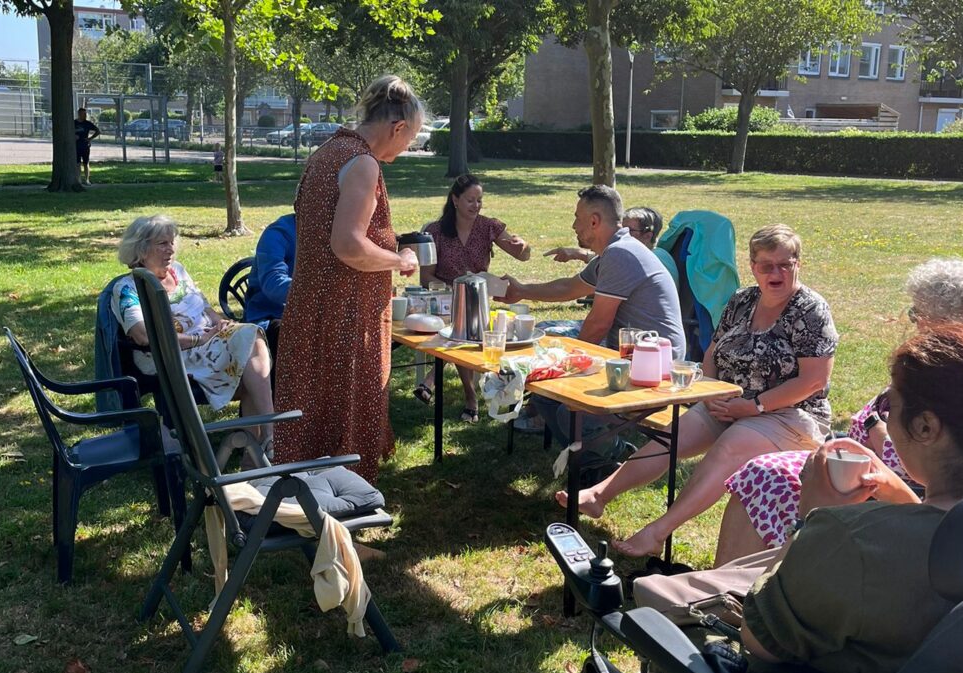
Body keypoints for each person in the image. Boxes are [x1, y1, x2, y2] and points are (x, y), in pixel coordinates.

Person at [557, 224, 838, 558]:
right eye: (766, 265)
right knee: (671, 436)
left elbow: (813, 381)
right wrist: (712, 392)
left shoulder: (810, 310)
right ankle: (599, 495)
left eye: (784, 264)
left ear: (797, 264)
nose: (775, 273)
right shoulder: (742, 300)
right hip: (727, 403)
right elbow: (712, 353)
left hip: (789, 415)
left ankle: (656, 532)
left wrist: (753, 407)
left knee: (729, 449)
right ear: (753, 267)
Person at [737, 324, 963, 672]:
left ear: (924, 427)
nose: (883, 415)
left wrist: (808, 519)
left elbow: (760, 639)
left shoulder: (852, 539)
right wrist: (907, 500)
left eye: (887, 404)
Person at [715, 256, 963, 564]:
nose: (913, 321)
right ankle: (732, 585)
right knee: (765, 472)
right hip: (876, 472)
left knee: (768, 477)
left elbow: (941, 475)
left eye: (917, 312)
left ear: (939, 319)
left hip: (883, 487)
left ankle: (745, 589)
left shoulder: (956, 377)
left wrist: (878, 434)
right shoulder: (946, 364)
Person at [271, 75, 422, 483]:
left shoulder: (326, 152)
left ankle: (306, 514)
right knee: (347, 419)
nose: (406, 148)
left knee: (313, 416)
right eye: (411, 138)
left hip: (312, 310)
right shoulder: (363, 163)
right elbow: (349, 245)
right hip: (344, 319)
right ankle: (344, 524)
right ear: (398, 127)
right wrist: (397, 259)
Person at [110, 215, 276, 452]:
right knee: (248, 353)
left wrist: (220, 323)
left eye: (171, 242)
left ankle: (261, 445)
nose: (171, 250)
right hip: (168, 354)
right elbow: (143, 336)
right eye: (162, 244)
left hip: (208, 343)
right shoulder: (127, 288)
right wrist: (200, 339)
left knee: (251, 338)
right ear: (141, 249)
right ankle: (268, 439)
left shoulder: (178, 271)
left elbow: (204, 307)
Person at [503, 188, 683, 354]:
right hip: (637, 351)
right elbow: (569, 288)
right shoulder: (616, 250)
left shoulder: (620, 254)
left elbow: (599, 324)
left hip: (656, 359)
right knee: (546, 336)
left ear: (594, 221)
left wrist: (568, 365)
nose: (574, 226)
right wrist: (521, 290)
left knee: (545, 349)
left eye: (577, 218)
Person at [413, 174, 532, 422]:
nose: (476, 206)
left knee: (462, 326)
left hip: (479, 300)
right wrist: (455, 289)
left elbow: (523, 255)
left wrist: (523, 246)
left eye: (480, 200)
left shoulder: (489, 226)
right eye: (470, 200)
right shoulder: (435, 231)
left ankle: (432, 383)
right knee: (458, 326)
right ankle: (470, 395)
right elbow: (426, 278)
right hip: (445, 298)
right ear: (455, 200)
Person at [243, 213, 296, 371]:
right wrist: (314, 290)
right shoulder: (278, 233)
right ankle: (283, 395)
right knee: (296, 336)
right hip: (270, 315)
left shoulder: (333, 230)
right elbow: (273, 283)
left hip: (311, 313)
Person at [75, 107, 100, 186]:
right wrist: (73, 136)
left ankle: (87, 180)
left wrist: (90, 138)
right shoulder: (74, 123)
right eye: (83, 114)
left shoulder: (88, 123)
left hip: (85, 146)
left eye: (86, 114)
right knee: (77, 164)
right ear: (79, 114)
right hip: (76, 146)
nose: (85, 115)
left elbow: (98, 131)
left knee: (86, 163)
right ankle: (78, 180)